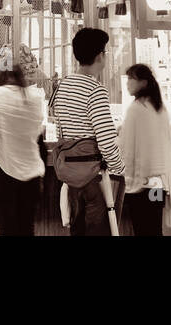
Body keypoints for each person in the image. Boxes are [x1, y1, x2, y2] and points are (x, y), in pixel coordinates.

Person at [50, 27, 124, 235]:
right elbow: (106, 140)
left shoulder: (62, 86)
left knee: (78, 230)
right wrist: (120, 168)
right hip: (93, 177)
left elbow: (60, 128)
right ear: (100, 55)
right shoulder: (95, 90)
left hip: (71, 176)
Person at [119, 63, 171, 236]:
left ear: (143, 83)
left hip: (141, 184)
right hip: (159, 183)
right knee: (155, 226)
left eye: (131, 79)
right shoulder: (160, 107)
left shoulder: (136, 109)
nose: (128, 82)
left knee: (142, 228)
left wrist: (126, 178)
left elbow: (127, 147)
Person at [0, 65, 46, 236]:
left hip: (4, 173)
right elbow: (38, 134)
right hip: (32, 175)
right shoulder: (34, 98)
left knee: (7, 229)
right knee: (27, 228)